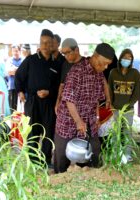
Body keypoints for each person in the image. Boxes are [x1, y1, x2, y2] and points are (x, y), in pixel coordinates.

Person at [54, 43, 115, 173]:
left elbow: (98, 99)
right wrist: (78, 121)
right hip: (68, 120)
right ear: (95, 56)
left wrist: (97, 117)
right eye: (103, 63)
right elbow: (69, 99)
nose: (105, 67)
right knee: (62, 155)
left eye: (108, 64)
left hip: (89, 120)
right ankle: (59, 179)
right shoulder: (77, 71)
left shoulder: (99, 74)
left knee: (94, 150)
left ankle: (90, 178)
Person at [15, 29, 61, 167]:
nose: (45, 46)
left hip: (50, 102)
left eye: (48, 43)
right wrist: (20, 91)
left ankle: (46, 160)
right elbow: (18, 76)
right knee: (33, 132)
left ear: (53, 44)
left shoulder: (57, 63)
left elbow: (60, 86)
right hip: (33, 102)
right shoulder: (31, 60)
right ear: (39, 44)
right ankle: (33, 161)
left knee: (48, 132)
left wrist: (49, 92)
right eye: (42, 43)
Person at [108, 48, 140, 161]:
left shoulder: (135, 73)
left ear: (132, 60)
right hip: (115, 108)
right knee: (115, 131)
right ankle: (116, 152)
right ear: (120, 58)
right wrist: (111, 104)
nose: (127, 60)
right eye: (125, 57)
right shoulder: (113, 73)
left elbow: (136, 93)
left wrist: (129, 105)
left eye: (129, 58)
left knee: (127, 132)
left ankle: (127, 154)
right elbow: (109, 90)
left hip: (128, 109)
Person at [55, 38, 84, 114]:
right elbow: (62, 84)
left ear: (77, 50)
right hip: (67, 107)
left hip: (83, 107)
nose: (66, 56)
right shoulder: (65, 64)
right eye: (64, 53)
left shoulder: (87, 64)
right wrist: (57, 102)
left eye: (68, 52)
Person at [6, 44, 23, 112]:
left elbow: (24, 73)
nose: (15, 53)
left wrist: (15, 69)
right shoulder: (9, 60)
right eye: (13, 51)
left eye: (16, 51)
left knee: (22, 107)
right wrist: (19, 70)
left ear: (19, 51)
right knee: (12, 107)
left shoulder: (23, 60)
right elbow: (9, 72)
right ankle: (13, 121)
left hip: (22, 87)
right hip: (12, 86)